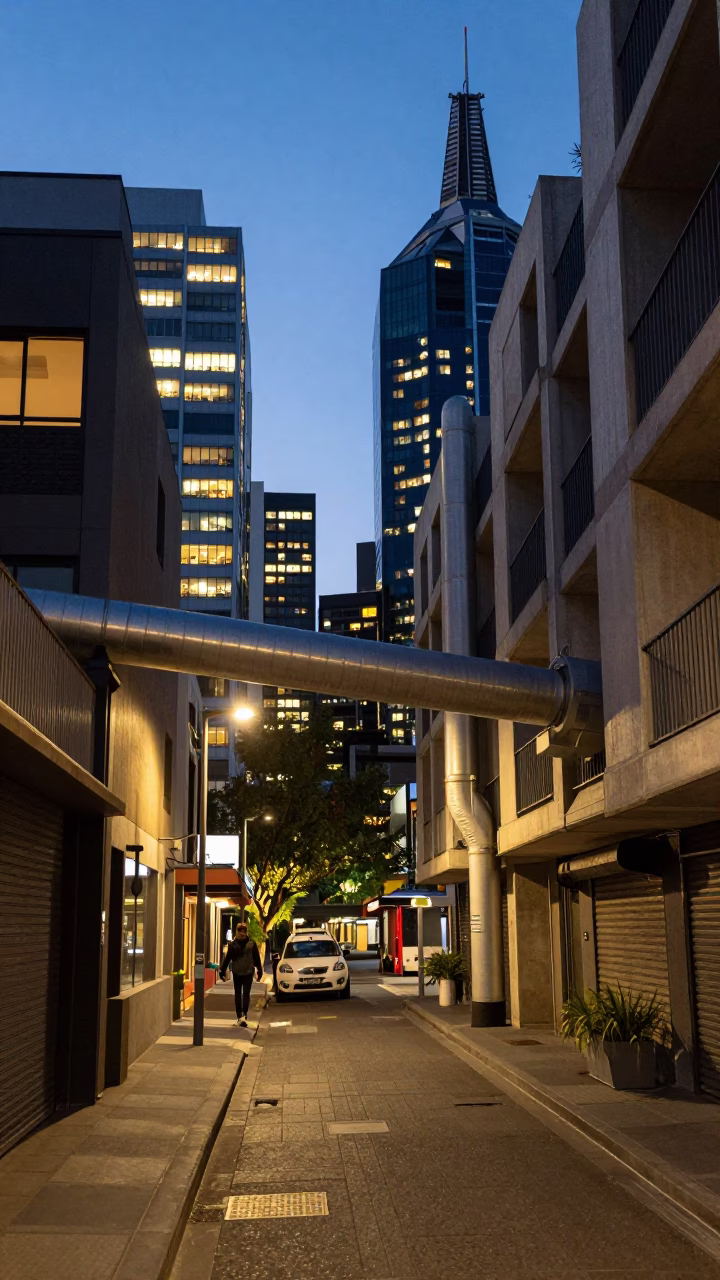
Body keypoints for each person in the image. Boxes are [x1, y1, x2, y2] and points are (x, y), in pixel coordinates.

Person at [219, 921, 263, 1027]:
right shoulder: (234, 944)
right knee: (240, 994)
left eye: (244, 930)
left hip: (246, 972)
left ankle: (242, 1015)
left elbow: (256, 958)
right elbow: (227, 959)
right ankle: (241, 1016)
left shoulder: (249, 944)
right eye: (240, 930)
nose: (242, 932)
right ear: (237, 931)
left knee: (243, 994)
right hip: (239, 972)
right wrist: (222, 971)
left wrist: (259, 970)